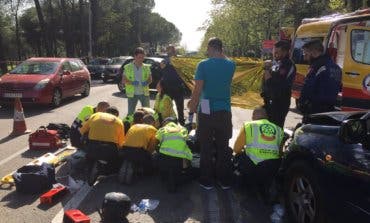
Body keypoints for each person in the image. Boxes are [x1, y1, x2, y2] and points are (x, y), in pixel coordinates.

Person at [188, 37, 236, 190]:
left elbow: (198, 89)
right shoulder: (231, 65)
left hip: (206, 109)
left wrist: (192, 107)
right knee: (223, 146)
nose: (206, 52)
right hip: (224, 110)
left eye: (208, 49)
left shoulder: (203, 65)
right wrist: (221, 53)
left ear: (210, 47)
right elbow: (226, 60)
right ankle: (223, 180)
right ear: (221, 49)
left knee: (206, 146)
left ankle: (206, 179)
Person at [233, 107, 283, 201]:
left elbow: (236, 149)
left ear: (253, 116)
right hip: (272, 168)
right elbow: (280, 153)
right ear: (266, 117)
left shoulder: (249, 125)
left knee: (238, 157)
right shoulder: (278, 129)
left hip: (254, 168)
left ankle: (248, 186)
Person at [298, 40, 342, 116]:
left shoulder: (317, 66)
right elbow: (339, 87)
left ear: (314, 52)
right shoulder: (336, 67)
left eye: (305, 53)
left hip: (315, 108)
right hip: (330, 108)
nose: (304, 56)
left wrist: (302, 103)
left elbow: (308, 87)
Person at [261, 40, 296, 128]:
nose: (274, 54)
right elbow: (266, 81)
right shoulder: (275, 63)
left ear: (285, 52)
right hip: (269, 102)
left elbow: (274, 84)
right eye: (274, 51)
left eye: (277, 52)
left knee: (275, 129)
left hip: (280, 103)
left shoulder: (288, 65)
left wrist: (266, 69)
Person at [156, 117, 193, 192]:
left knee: (156, 152)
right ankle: (185, 171)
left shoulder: (162, 129)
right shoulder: (182, 129)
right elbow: (187, 139)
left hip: (164, 156)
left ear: (165, 123)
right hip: (180, 158)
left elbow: (157, 138)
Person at [119, 114, 158, 182]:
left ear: (142, 121)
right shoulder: (153, 129)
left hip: (124, 150)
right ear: (153, 122)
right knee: (150, 165)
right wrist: (149, 154)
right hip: (139, 153)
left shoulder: (133, 126)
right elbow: (152, 146)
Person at [122, 47, 152, 115]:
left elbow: (150, 79)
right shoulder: (127, 67)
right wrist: (132, 82)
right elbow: (123, 80)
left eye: (142, 57)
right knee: (130, 113)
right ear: (134, 56)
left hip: (144, 93)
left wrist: (146, 82)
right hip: (132, 94)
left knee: (147, 112)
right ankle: (129, 125)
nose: (141, 59)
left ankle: (147, 125)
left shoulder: (146, 67)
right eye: (139, 57)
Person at [161, 45, 186, 125]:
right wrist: (168, 61)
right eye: (168, 50)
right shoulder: (164, 60)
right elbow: (162, 66)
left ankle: (182, 123)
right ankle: (166, 123)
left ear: (175, 50)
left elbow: (183, 70)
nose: (170, 52)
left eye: (172, 50)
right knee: (166, 107)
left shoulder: (179, 60)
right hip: (167, 88)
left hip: (178, 87)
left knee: (180, 107)